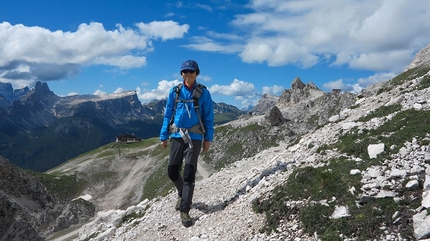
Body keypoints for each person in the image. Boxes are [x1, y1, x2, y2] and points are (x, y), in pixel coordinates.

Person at [159, 59, 214, 227]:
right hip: (176, 135)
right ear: (181, 73)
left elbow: (209, 117)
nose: (188, 74)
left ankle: (185, 210)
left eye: (191, 71)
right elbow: (168, 114)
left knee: (189, 173)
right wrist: (163, 135)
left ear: (197, 73)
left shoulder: (204, 93)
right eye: (185, 72)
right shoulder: (174, 92)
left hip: (195, 137)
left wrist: (208, 139)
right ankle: (182, 193)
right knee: (172, 171)